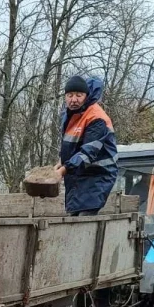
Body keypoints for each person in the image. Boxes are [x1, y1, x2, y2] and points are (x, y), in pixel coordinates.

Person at [54, 75, 118, 216]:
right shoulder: (70, 115)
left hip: (98, 176)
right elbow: (71, 146)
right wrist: (61, 162)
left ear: (86, 96)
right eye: (70, 95)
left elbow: (87, 153)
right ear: (65, 97)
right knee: (74, 216)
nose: (74, 99)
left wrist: (63, 170)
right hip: (79, 175)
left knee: (83, 218)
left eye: (79, 95)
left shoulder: (96, 118)